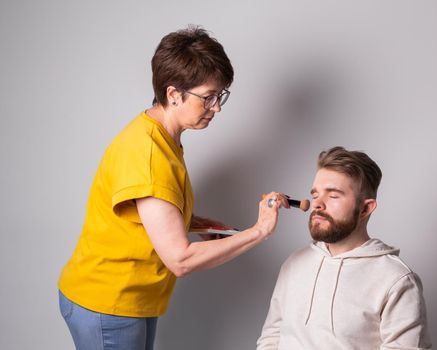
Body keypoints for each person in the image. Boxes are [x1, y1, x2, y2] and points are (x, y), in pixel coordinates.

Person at [58, 26, 289, 350]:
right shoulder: (149, 154)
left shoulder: (160, 137)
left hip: (129, 300)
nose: (217, 107)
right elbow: (180, 260)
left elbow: (147, 209)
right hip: (107, 304)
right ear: (173, 94)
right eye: (208, 97)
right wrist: (259, 231)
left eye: (220, 95)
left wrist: (192, 222)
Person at [257, 146, 432, 350]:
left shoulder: (396, 280)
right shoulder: (294, 263)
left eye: (333, 196)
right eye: (315, 195)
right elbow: (272, 336)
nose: (317, 205)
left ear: (365, 208)